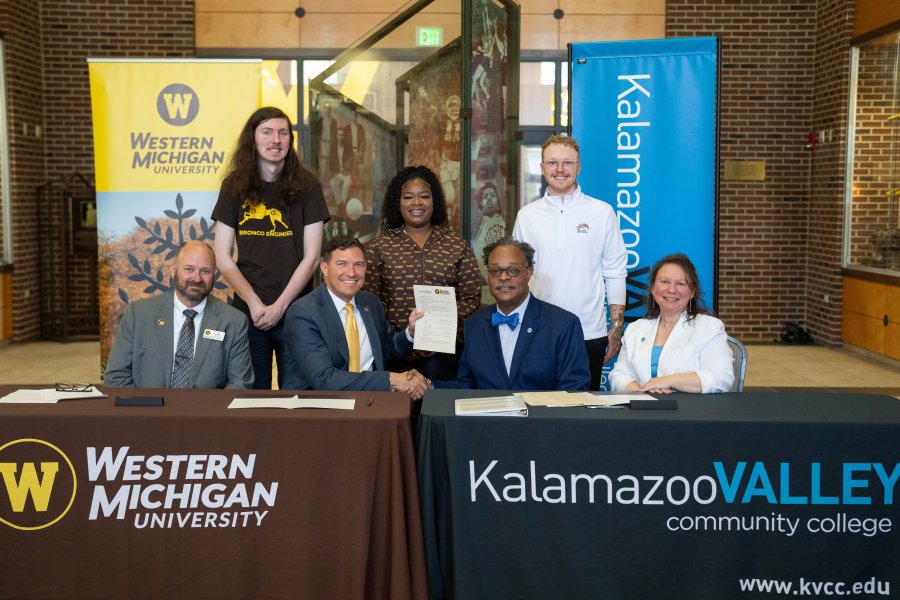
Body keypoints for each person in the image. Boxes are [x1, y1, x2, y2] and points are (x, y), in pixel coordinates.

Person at [212, 106, 329, 390]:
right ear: (252, 139)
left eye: (282, 133)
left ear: (290, 140)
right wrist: (254, 303)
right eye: (267, 132)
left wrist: (280, 306)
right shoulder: (233, 186)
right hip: (248, 312)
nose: (275, 140)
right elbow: (222, 257)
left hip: (298, 312)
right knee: (252, 397)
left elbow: (312, 258)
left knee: (298, 396)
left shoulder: (308, 186)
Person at [512, 134, 628, 390]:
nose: (560, 169)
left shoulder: (602, 212)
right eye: (553, 162)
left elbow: (615, 272)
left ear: (579, 167)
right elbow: (517, 275)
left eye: (568, 162)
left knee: (584, 410)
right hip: (537, 332)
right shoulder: (527, 216)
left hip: (589, 332)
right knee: (537, 407)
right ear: (542, 167)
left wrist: (616, 329)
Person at [364, 165, 482, 379]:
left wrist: (438, 333)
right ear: (398, 202)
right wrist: (403, 337)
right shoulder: (379, 247)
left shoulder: (456, 244)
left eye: (424, 196)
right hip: (394, 353)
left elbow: (471, 298)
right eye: (408, 197)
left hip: (445, 354)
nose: (416, 203)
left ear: (434, 201)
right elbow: (371, 301)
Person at [434, 238, 590, 391]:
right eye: (495, 271)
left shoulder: (563, 324)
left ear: (529, 273)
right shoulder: (474, 325)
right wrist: (429, 386)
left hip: (542, 409)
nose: (503, 277)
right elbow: (466, 385)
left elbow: (573, 388)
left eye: (513, 270)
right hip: (488, 409)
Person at [284, 235, 429, 399]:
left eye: (358, 265)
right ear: (324, 268)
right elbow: (324, 380)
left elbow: (387, 348)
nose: (351, 273)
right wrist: (391, 379)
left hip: (370, 401)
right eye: (342, 264)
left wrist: (411, 333)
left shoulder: (371, 302)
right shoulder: (303, 313)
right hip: (318, 405)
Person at [104, 241, 254, 389]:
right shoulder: (138, 315)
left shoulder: (234, 321)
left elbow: (240, 384)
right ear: (173, 271)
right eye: (189, 269)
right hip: (148, 404)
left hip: (208, 406)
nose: (197, 278)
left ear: (213, 275)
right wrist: (142, 405)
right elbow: (116, 376)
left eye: (205, 271)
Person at [609, 254, 734, 394]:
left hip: (689, 407)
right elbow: (619, 374)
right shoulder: (635, 329)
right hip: (642, 404)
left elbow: (722, 378)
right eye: (664, 281)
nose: (672, 290)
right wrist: (641, 393)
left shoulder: (710, 328)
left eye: (681, 283)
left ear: (692, 292)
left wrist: (667, 381)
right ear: (652, 288)